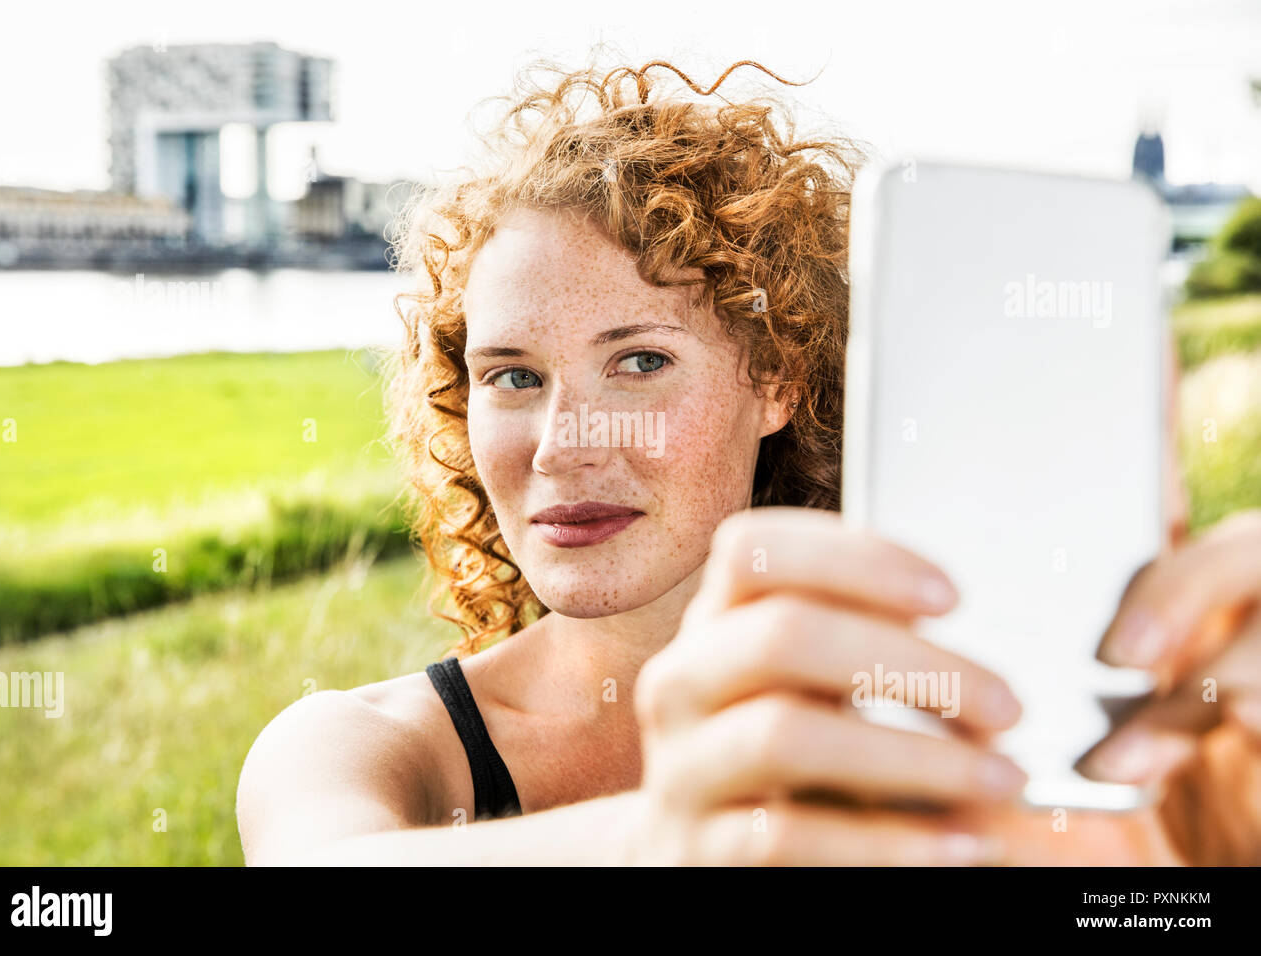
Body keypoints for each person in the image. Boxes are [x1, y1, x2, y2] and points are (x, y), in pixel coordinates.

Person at [236, 54, 1261, 865]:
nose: (563, 444)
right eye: (513, 375)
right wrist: (671, 840)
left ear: (777, 379)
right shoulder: (361, 748)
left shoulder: (961, 721)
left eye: (638, 360)